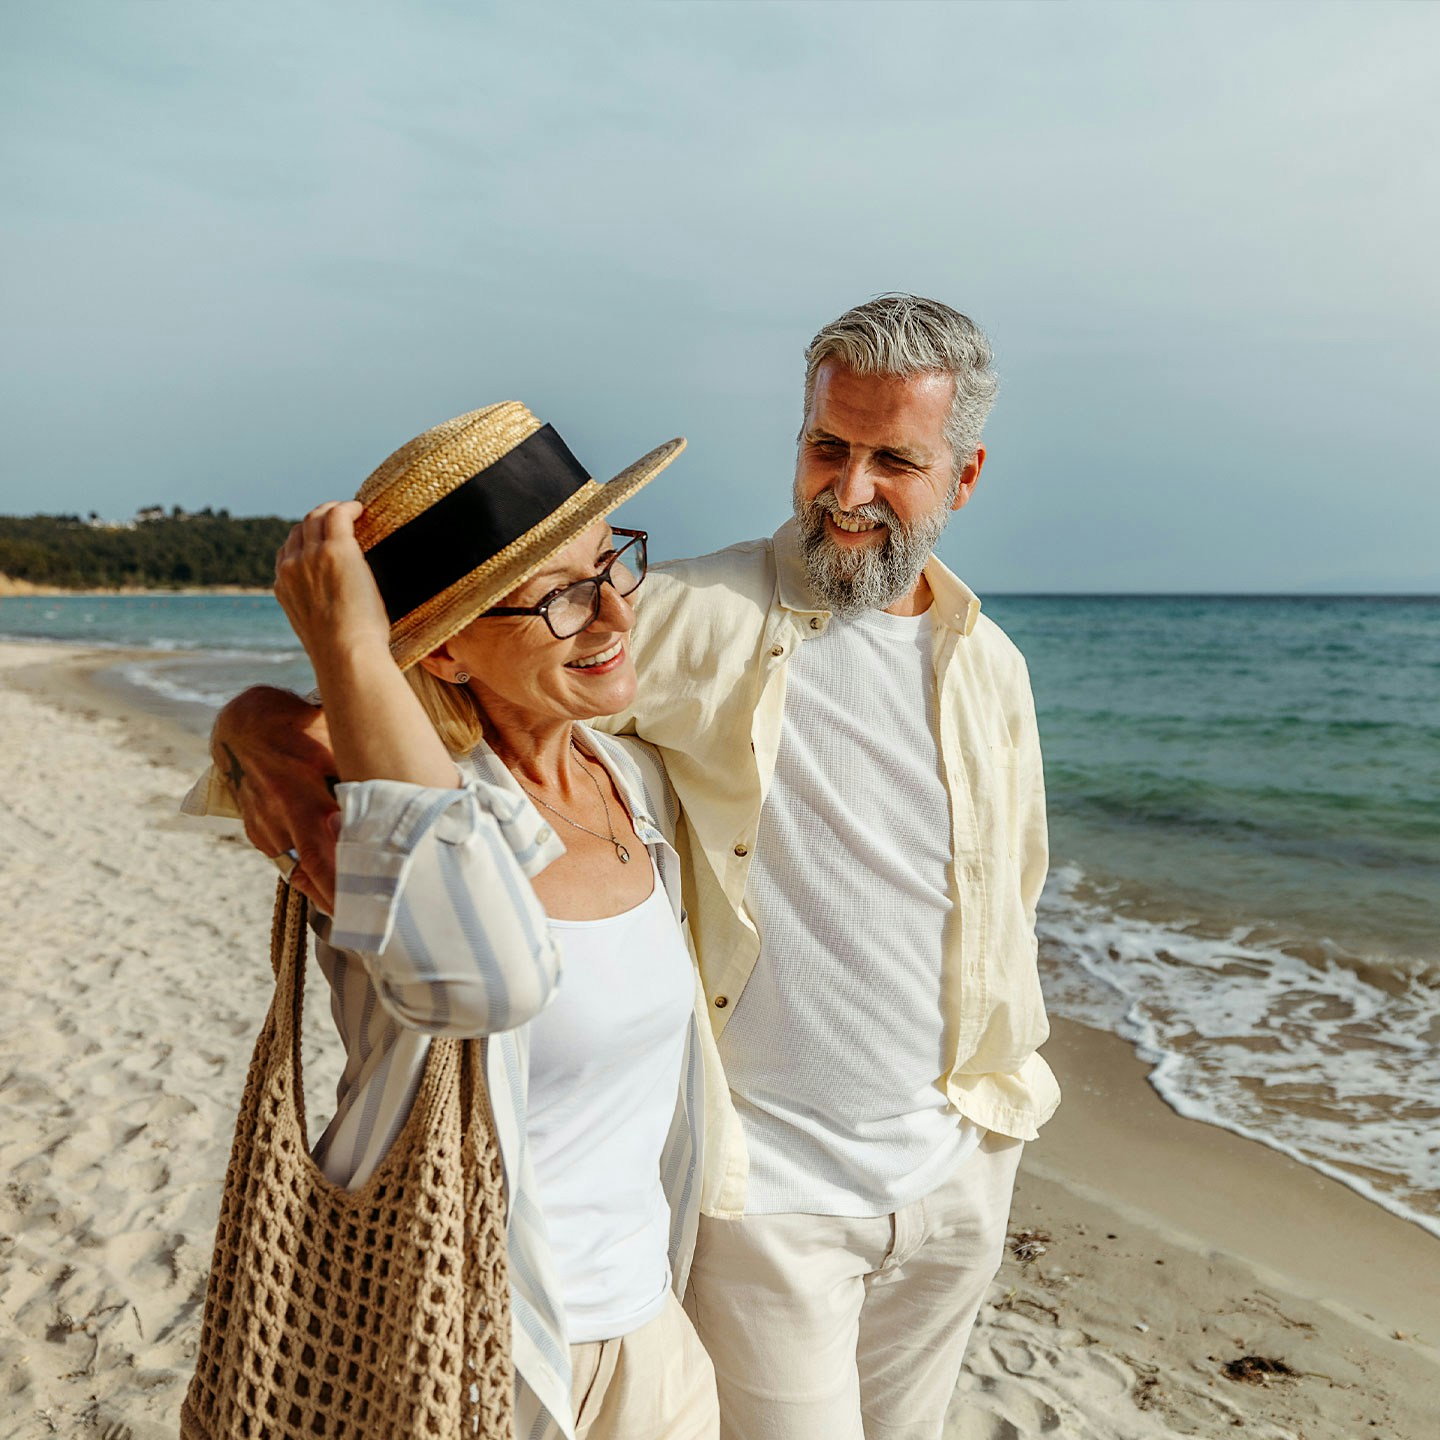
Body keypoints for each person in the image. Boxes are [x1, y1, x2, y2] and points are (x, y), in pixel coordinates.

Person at [204, 294, 1058, 1440]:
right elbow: (426, 694)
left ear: (964, 476)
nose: (847, 492)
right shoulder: (693, 615)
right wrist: (253, 722)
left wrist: (991, 1131)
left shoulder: (989, 662)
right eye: (826, 447)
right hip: (770, 1202)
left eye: (893, 460)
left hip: (956, 1174)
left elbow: (1007, 900)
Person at [201, 401, 724, 1440]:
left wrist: (248, 717)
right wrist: (343, 652)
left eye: (613, 563)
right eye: (561, 600)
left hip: (651, 1338)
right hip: (463, 1349)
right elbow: (487, 981)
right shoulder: (378, 828)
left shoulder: (630, 779)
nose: (617, 614)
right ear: (442, 654)